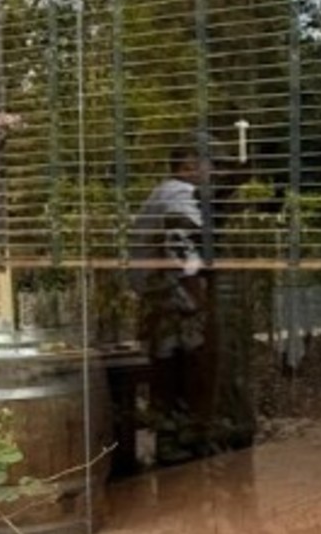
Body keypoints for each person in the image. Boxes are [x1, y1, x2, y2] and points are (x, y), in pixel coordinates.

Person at [127, 134, 217, 464]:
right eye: (208, 164)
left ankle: (172, 440)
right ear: (189, 165)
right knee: (182, 368)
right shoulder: (179, 195)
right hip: (174, 301)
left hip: (160, 299)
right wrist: (200, 298)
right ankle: (179, 441)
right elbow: (184, 252)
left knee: (166, 369)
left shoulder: (161, 194)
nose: (212, 171)